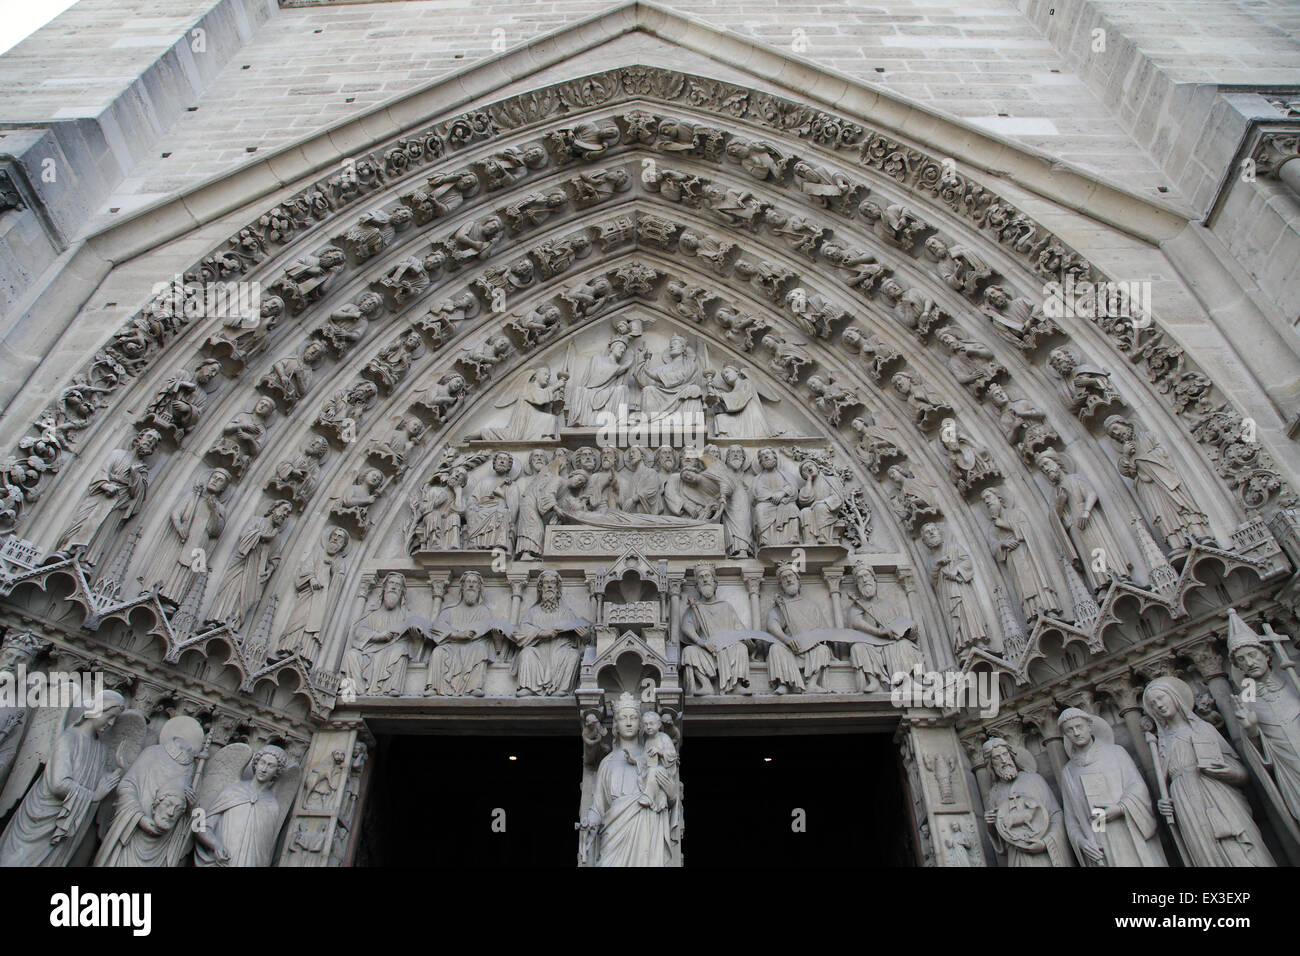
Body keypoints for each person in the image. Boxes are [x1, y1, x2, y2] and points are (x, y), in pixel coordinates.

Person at [1143, 675, 1274, 866]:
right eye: (1153, 704)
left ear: (1174, 696)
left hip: (1219, 797)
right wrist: (1166, 803)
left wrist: (1228, 772)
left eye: (1161, 698)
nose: (1159, 705)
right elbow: (1165, 784)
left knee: (1241, 854)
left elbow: (1242, 774)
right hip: (1187, 808)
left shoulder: (1203, 729)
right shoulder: (1161, 745)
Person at [1058, 707, 1167, 867]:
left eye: (1079, 726)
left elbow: (1137, 787)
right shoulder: (1069, 772)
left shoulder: (1115, 753)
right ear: (1065, 735)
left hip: (1129, 828)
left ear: (1089, 726)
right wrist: (1083, 842)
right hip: (1100, 835)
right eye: (1069, 730)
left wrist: (1120, 808)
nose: (1076, 733)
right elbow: (1071, 819)